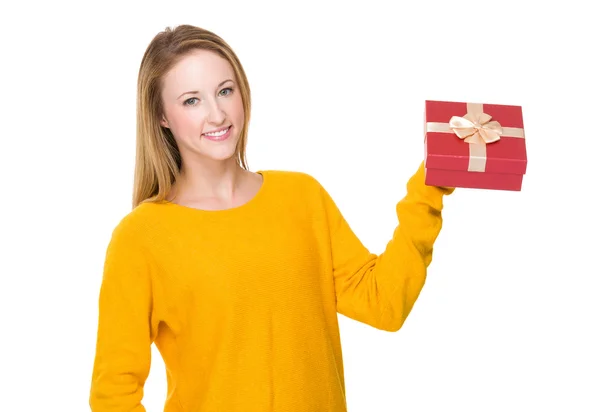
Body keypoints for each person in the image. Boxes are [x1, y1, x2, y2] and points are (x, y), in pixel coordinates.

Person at [89, 24, 454, 412]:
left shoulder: (301, 197)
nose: (217, 114)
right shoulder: (141, 237)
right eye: (191, 101)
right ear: (162, 116)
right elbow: (114, 393)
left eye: (225, 91)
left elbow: (383, 302)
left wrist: (431, 185)